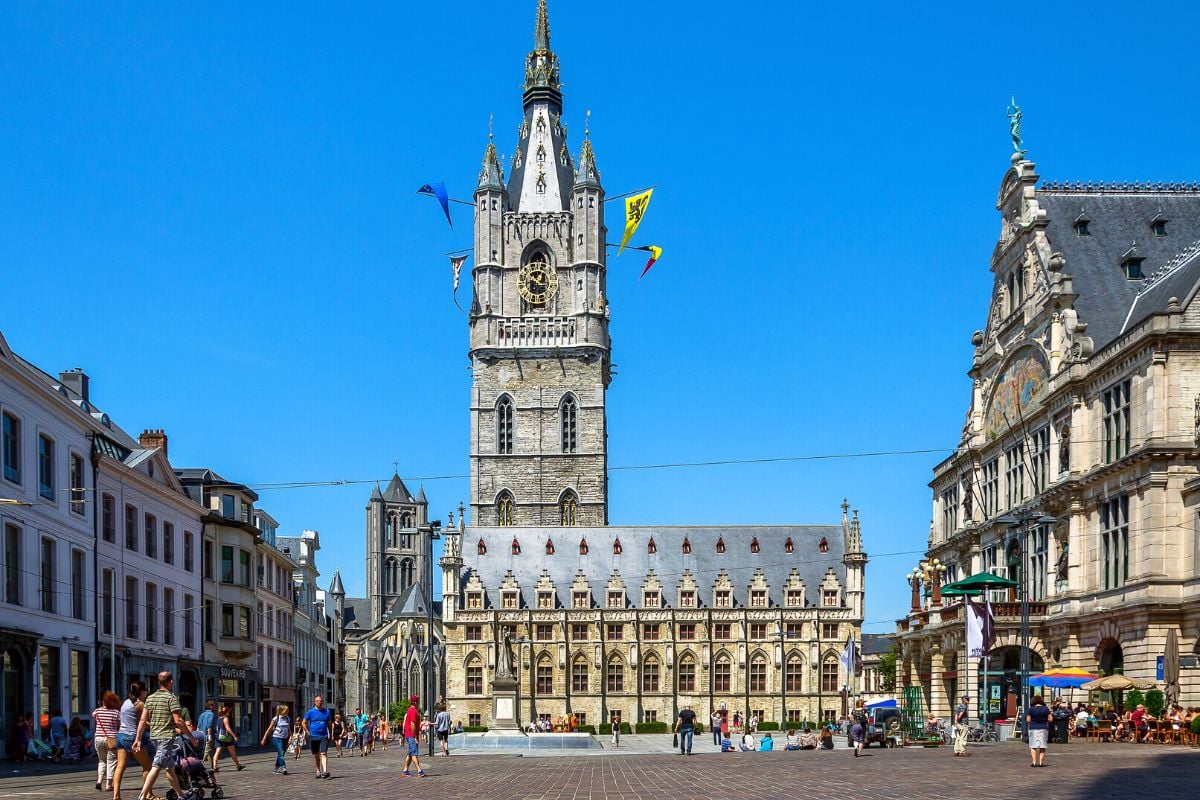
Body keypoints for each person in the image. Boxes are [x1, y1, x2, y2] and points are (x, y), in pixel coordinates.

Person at [133, 672, 195, 800]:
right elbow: (178, 721)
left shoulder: (150, 698)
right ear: (170, 682)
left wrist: (138, 738)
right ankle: (142, 796)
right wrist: (192, 737)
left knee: (170, 767)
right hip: (165, 737)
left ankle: (181, 795)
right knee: (157, 766)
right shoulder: (171, 698)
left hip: (154, 736)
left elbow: (142, 720)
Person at [111, 682, 152, 800]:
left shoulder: (126, 702)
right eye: (146, 691)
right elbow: (145, 721)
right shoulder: (140, 704)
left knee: (120, 767)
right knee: (147, 766)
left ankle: (116, 796)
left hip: (121, 736)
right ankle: (147, 794)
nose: (147, 693)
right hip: (132, 738)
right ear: (142, 691)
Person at [93, 691, 122, 791]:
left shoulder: (97, 711)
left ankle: (99, 781)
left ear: (103, 701)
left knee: (101, 760)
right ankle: (108, 784)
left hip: (98, 738)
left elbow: (95, 718)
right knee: (112, 761)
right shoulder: (116, 712)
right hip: (111, 739)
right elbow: (119, 725)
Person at [301, 695, 333, 779]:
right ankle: (318, 771)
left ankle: (325, 771)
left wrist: (331, 735)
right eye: (318, 701)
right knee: (316, 754)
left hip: (324, 736)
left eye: (321, 701)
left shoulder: (327, 712)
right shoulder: (310, 712)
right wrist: (307, 731)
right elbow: (303, 722)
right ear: (315, 702)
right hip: (314, 736)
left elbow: (330, 725)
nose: (319, 702)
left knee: (323, 753)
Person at [211, 704, 243, 772]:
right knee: (232, 752)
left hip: (218, 736)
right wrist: (234, 736)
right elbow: (228, 729)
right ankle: (238, 766)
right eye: (228, 712)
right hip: (225, 737)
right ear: (226, 712)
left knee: (217, 752)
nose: (229, 713)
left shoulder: (219, 718)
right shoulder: (225, 719)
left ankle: (214, 766)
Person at [260, 703, 291, 775]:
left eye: (288, 710)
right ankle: (283, 767)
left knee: (281, 754)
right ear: (282, 710)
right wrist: (264, 738)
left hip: (285, 738)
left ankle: (276, 768)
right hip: (277, 738)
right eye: (286, 710)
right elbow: (269, 729)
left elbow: (289, 728)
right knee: (281, 752)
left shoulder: (287, 718)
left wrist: (291, 737)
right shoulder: (276, 719)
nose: (287, 712)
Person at [401, 695, 426, 777]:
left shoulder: (412, 710)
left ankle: (405, 770)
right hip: (411, 735)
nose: (419, 703)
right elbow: (412, 724)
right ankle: (419, 770)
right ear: (415, 702)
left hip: (410, 734)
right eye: (418, 701)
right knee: (414, 753)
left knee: (410, 753)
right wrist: (415, 736)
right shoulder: (413, 711)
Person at [1025, 694, 1051, 767]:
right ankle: (1040, 762)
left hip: (1033, 727)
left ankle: (1033, 762)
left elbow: (1028, 720)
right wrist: (1045, 720)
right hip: (1043, 728)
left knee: (1033, 745)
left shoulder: (1031, 709)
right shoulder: (1046, 709)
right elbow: (1050, 719)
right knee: (1042, 745)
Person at [194, 700, 216, 768]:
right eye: (214, 706)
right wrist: (209, 737)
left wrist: (197, 735)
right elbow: (209, 726)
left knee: (209, 751)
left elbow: (198, 725)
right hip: (207, 736)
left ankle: (213, 766)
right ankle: (199, 766)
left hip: (200, 736)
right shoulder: (211, 714)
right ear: (211, 706)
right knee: (206, 752)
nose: (215, 707)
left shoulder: (202, 714)